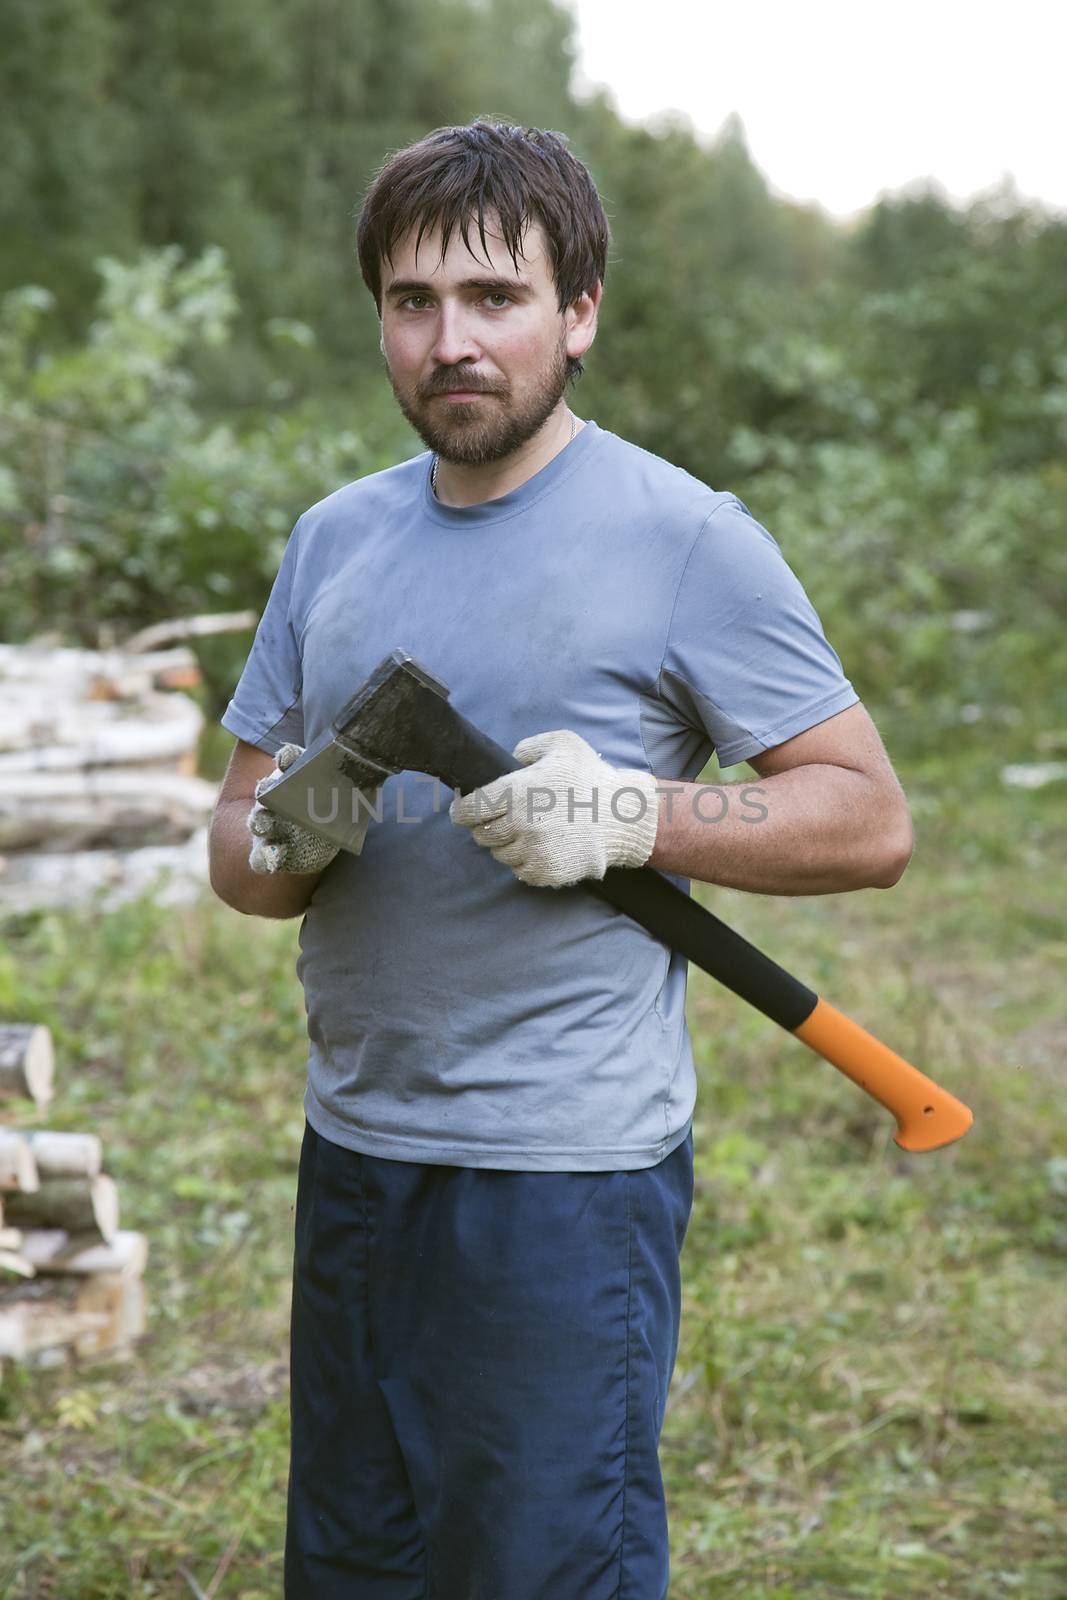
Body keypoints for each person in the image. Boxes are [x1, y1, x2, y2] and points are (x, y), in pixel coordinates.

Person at [208, 117, 912, 1600]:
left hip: (561, 1181)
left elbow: (867, 816)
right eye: (413, 303)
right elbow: (242, 855)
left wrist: (640, 818)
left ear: (577, 311)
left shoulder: (686, 538)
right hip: (357, 1155)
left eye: (494, 298)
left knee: (536, 1571)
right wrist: (300, 823)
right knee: (354, 1564)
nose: (449, 342)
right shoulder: (333, 542)